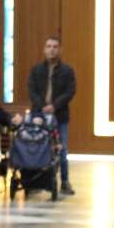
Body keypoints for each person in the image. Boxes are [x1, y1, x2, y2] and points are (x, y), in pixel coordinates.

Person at [27, 35, 77, 194]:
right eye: (48, 46)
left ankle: (65, 181)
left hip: (60, 115)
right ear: (44, 49)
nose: (52, 49)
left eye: (55, 46)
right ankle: (34, 181)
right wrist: (43, 107)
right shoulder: (36, 70)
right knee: (36, 146)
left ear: (60, 50)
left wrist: (54, 106)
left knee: (62, 149)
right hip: (39, 115)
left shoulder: (67, 71)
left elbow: (70, 91)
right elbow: (32, 90)